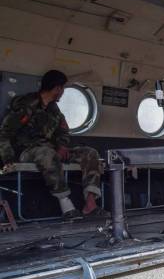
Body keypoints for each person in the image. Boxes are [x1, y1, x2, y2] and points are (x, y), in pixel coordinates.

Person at [0, 70, 103, 219]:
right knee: (46, 153)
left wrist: (62, 146)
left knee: (89, 153)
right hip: (26, 151)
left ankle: (90, 205)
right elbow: (4, 132)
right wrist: (8, 159)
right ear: (57, 89)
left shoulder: (54, 110)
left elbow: (63, 132)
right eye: (62, 89)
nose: (62, 93)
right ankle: (67, 206)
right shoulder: (26, 105)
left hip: (51, 150)